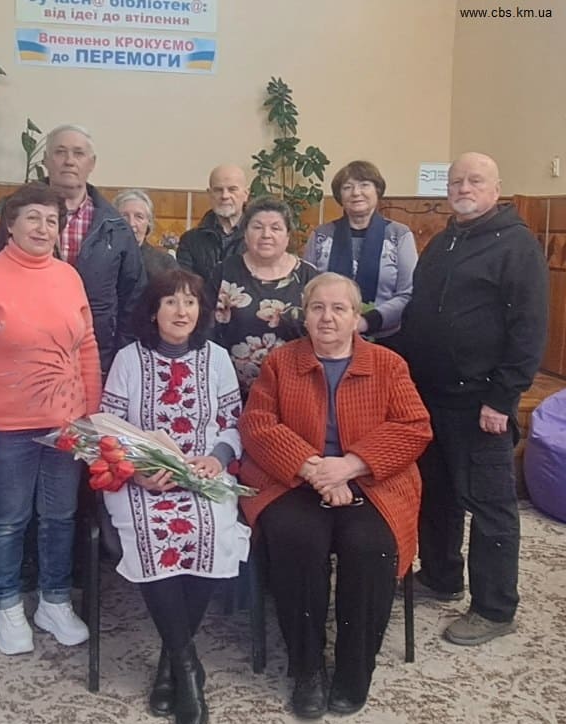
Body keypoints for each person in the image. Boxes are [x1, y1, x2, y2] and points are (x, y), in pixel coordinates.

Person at [239, 272, 432, 719]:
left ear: (356, 317)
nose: (327, 317)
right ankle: (307, 667)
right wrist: (314, 468)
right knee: (297, 539)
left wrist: (349, 466)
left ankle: (354, 668)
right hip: (293, 478)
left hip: (371, 480)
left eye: (339, 308)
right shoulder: (281, 362)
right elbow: (258, 424)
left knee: (369, 545)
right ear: (304, 316)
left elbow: (414, 427)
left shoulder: (388, 364)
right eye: (317, 308)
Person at [399, 152, 549, 646]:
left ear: (496, 188)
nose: (463, 188)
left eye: (475, 180)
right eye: (456, 181)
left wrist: (503, 399)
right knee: (437, 495)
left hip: (481, 402)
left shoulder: (517, 246)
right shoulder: (444, 241)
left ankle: (495, 608)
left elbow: (529, 330)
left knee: (490, 506)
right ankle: (441, 575)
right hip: (431, 396)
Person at [0, 182, 101, 656]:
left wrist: (91, 417)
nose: (43, 228)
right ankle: (8, 604)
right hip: (7, 427)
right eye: (32, 217)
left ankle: (54, 601)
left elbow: (87, 347)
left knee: (59, 517)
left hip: (67, 423)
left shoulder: (68, 276)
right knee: (8, 519)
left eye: (52, 220)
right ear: (11, 224)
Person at [100, 268, 250, 724]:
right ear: (153, 311)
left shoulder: (217, 358)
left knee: (212, 528)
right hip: (143, 478)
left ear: (201, 311)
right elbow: (110, 429)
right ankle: (188, 669)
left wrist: (217, 458)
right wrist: (140, 472)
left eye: (190, 302)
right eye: (170, 301)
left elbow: (233, 423)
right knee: (151, 533)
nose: (181, 311)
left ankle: (173, 661)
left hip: (202, 471)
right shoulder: (128, 359)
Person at [0, 124, 146, 375]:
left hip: (97, 358)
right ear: (46, 160)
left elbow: (133, 299)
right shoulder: (17, 214)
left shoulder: (115, 226)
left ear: (92, 163)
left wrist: (119, 359)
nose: (69, 161)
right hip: (25, 357)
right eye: (60, 152)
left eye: (78, 153)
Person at [206, 196, 318, 398]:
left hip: (296, 389)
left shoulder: (309, 278)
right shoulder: (224, 272)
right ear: (245, 234)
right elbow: (207, 329)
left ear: (287, 235)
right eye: (257, 227)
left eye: (276, 228)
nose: (266, 235)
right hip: (232, 389)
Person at [304, 161, 417, 342]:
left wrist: (366, 322)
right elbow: (307, 289)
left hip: (386, 337)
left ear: (377, 190)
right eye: (347, 187)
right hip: (328, 335)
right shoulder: (321, 236)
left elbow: (408, 293)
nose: (356, 193)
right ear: (339, 195)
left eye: (364, 185)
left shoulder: (399, 235)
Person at [176, 164, 249, 284]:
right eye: (218, 190)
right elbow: (186, 286)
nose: (225, 196)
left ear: (246, 194)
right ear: (209, 194)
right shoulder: (190, 241)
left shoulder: (260, 238)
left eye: (232, 189)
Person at [114, 188, 178, 279]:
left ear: (149, 222)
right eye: (124, 216)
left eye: (139, 217)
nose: (131, 223)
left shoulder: (165, 263)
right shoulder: (103, 260)